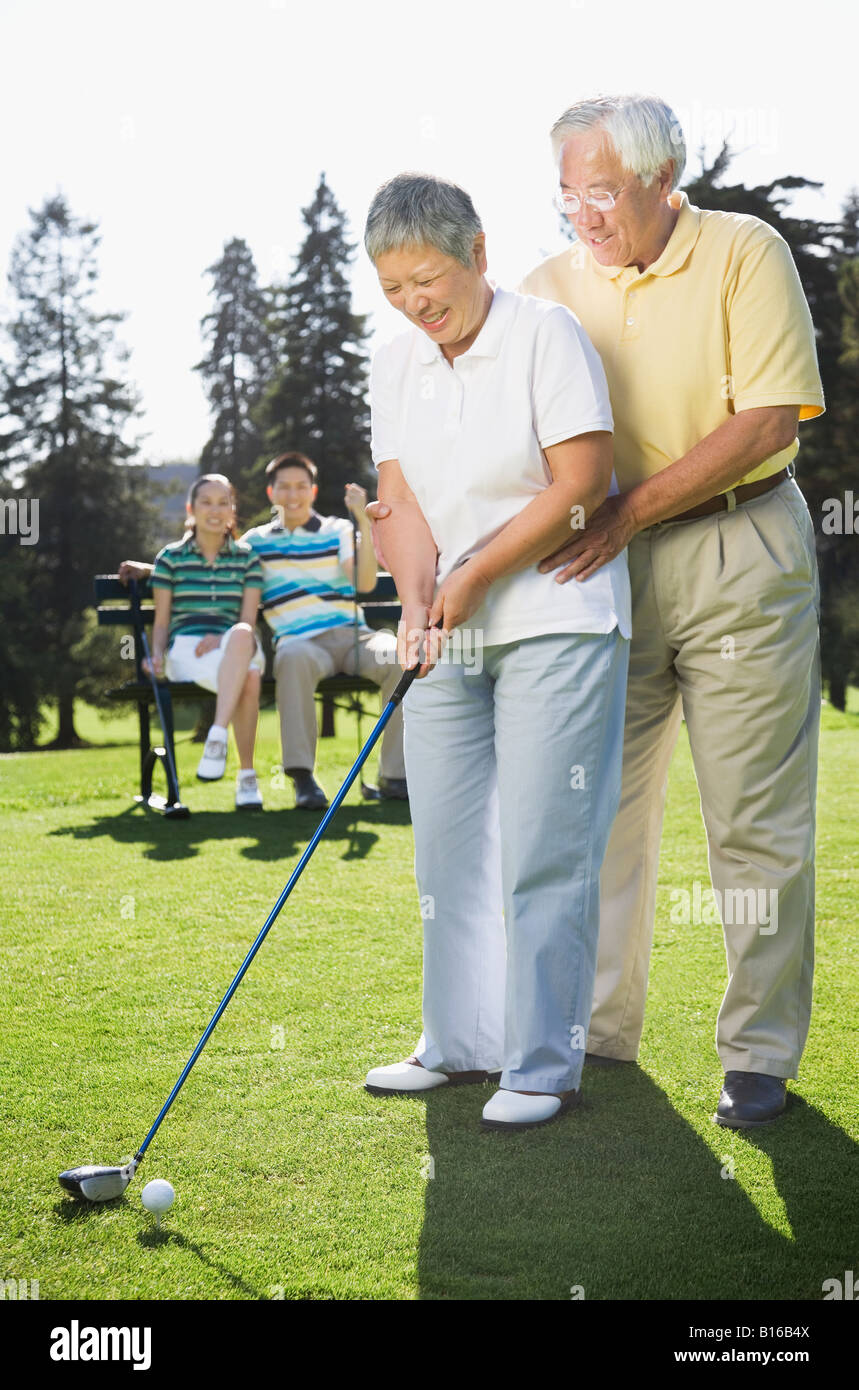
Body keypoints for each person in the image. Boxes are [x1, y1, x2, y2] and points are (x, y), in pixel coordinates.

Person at [514, 94, 825, 1128]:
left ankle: (759, 1054)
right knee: (598, 811)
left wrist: (621, 512)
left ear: (661, 177)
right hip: (603, 574)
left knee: (751, 820)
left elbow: (768, 417)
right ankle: (599, 1031)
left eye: (600, 192)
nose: (582, 218)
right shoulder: (545, 288)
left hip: (741, 548)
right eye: (566, 197)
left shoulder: (744, 250)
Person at [361, 172, 631, 1131]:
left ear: (477, 251)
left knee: (541, 849)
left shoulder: (543, 334)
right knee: (447, 850)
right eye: (393, 289)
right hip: (449, 633)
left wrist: (471, 579)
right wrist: (419, 598)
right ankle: (456, 1043)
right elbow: (400, 504)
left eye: (427, 278)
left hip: (556, 618)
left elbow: (582, 485)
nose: (415, 302)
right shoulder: (395, 366)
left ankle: (541, 1062)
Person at [241, 452, 406, 810]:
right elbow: (215, 560)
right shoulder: (255, 541)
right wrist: (150, 570)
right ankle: (303, 778)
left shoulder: (338, 529)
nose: (293, 494)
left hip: (353, 639)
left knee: (398, 655)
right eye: (284, 487)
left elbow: (362, 583)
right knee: (292, 656)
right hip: (302, 644)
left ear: (313, 490)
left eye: (301, 486)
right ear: (271, 492)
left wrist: (362, 519)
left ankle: (395, 776)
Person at [147, 473, 265, 810]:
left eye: (223, 502)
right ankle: (246, 777)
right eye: (206, 502)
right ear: (191, 508)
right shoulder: (170, 558)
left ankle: (216, 734)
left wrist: (219, 638)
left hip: (234, 645)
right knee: (250, 678)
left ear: (232, 510)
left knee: (242, 636)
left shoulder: (247, 558)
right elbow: (161, 623)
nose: (215, 510)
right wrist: (156, 656)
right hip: (186, 650)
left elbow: (247, 620)